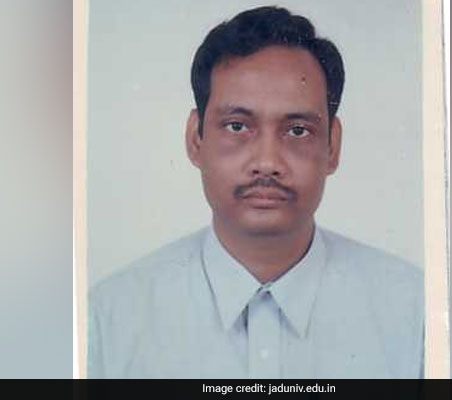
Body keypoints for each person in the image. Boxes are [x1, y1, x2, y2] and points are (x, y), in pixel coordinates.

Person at [88, 6, 423, 379]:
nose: (267, 162)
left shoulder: (416, 315)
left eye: (297, 130)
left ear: (332, 146)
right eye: (237, 126)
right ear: (196, 139)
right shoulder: (108, 320)